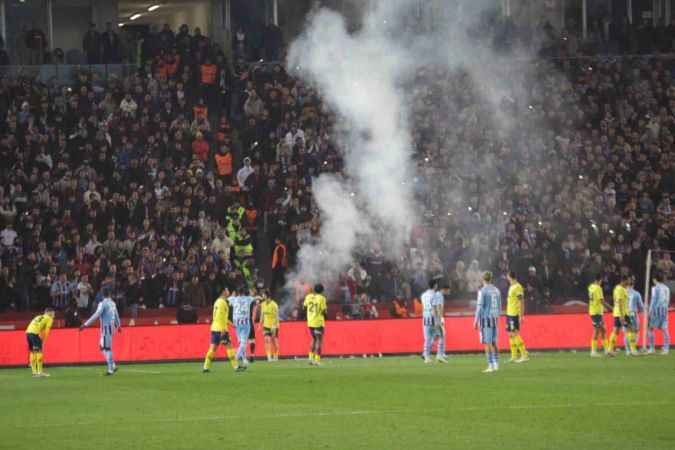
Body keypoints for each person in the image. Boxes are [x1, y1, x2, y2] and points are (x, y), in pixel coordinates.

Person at [79, 287, 121, 376]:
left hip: (106, 329)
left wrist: (85, 324)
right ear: (109, 294)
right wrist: (118, 326)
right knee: (102, 348)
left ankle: (110, 370)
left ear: (102, 294)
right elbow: (116, 315)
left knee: (106, 348)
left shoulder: (102, 303)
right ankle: (112, 365)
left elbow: (96, 315)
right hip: (110, 328)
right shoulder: (113, 303)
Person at [203, 288, 239, 372]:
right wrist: (223, 329)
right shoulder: (222, 303)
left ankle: (206, 367)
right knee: (229, 347)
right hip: (221, 329)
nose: (228, 292)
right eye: (227, 290)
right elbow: (220, 317)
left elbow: (222, 317)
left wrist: (232, 324)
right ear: (223, 292)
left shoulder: (217, 301)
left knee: (213, 348)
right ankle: (236, 366)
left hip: (215, 328)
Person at [473, 271, 501, 373]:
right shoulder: (497, 291)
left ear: (483, 279)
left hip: (486, 319)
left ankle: (490, 365)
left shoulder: (482, 291)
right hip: (495, 318)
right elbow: (499, 306)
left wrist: (475, 321)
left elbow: (479, 307)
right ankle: (496, 363)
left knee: (487, 343)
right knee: (494, 342)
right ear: (491, 278)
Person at [227, 287, 258, 369]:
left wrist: (233, 295)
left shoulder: (233, 299)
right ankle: (236, 358)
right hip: (245, 323)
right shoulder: (248, 298)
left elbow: (227, 299)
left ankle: (244, 359)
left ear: (237, 292)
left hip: (236, 324)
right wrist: (259, 297)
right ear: (244, 293)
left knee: (241, 342)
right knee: (243, 343)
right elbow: (256, 298)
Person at [420, 280, 447, 364]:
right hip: (433, 318)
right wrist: (439, 319)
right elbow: (436, 308)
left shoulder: (423, 295)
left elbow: (423, 307)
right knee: (442, 335)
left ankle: (426, 356)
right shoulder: (435, 295)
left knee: (428, 338)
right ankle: (439, 355)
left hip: (425, 317)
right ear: (435, 286)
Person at [607, 276, 634, 356]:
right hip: (622, 313)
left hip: (619, 313)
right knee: (630, 329)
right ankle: (633, 350)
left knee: (616, 331)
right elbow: (620, 302)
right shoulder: (620, 289)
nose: (629, 283)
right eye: (628, 281)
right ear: (623, 281)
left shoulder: (620, 288)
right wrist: (622, 316)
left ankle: (610, 350)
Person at [506, 271, 529, 363]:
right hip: (509, 313)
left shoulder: (518, 287)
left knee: (515, 333)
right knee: (510, 334)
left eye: (507, 276)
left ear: (510, 277)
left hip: (514, 314)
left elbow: (521, 301)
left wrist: (521, 316)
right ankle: (514, 356)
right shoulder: (512, 286)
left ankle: (524, 354)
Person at [25, 308, 55, 377]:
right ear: (49, 313)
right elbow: (47, 330)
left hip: (28, 333)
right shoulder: (49, 318)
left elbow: (35, 325)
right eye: (53, 313)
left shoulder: (38, 316)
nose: (54, 315)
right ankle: (40, 372)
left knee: (32, 352)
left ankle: (34, 373)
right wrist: (44, 340)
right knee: (39, 352)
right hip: (35, 334)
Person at [304, 283, 327, 366]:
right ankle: (317, 360)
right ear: (322, 291)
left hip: (310, 322)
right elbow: (324, 311)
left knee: (313, 339)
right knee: (319, 341)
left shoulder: (308, 297)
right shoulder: (322, 298)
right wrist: (326, 316)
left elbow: (304, 307)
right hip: (318, 322)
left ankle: (310, 358)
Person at [647, 273, 671, 355]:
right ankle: (666, 349)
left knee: (650, 329)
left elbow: (653, 300)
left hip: (656, 311)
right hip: (664, 310)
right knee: (665, 329)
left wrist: (650, 311)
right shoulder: (667, 288)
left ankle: (651, 348)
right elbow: (668, 300)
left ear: (655, 279)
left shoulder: (655, 288)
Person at [588, 273, 609, 357]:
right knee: (597, 331)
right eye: (601, 280)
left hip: (595, 311)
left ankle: (606, 350)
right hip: (596, 312)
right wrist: (611, 308)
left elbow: (595, 300)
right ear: (599, 280)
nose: (601, 282)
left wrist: (603, 308)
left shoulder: (590, 287)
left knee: (603, 330)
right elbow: (602, 301)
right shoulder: (598, 288)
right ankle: (593, 352)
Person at [624, 278, 644, 355]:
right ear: (633, 284)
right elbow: (641, 306)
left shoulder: (623, 292)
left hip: (625, 313)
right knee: (636, 331)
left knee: (627, 332)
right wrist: (642, 312)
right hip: (633, 314)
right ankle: (633, 348)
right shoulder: (636, 293)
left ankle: (627, 350)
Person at [260, 289, 280, 361]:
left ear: (266, 295)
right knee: (266, 340)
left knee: (274, 341)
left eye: (263, 295)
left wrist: (274, 326)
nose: (262, 296)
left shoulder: (274, 304)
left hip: (274, 326)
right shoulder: (263, 304)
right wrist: (260, 324)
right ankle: (269, 357)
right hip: (266, 326)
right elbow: (262, 315)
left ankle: (276, 355)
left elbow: (276, 316)